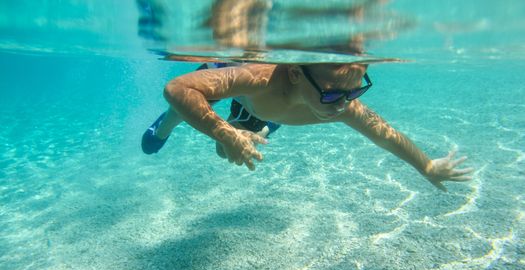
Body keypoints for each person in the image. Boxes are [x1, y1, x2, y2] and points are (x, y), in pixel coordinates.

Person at [141, 62, 473, 191]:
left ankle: (248, 127)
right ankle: (166, 125)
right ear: (297, 74)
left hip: (268, 111)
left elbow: (385, 136)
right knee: (185, 108)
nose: (345, 105)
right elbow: (177, 88)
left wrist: (427, 165)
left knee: (232, 145)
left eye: (354, 92)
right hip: (243, 87)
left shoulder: (337, 102)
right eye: (333, 95)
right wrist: (226, 133)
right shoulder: (261, 77)